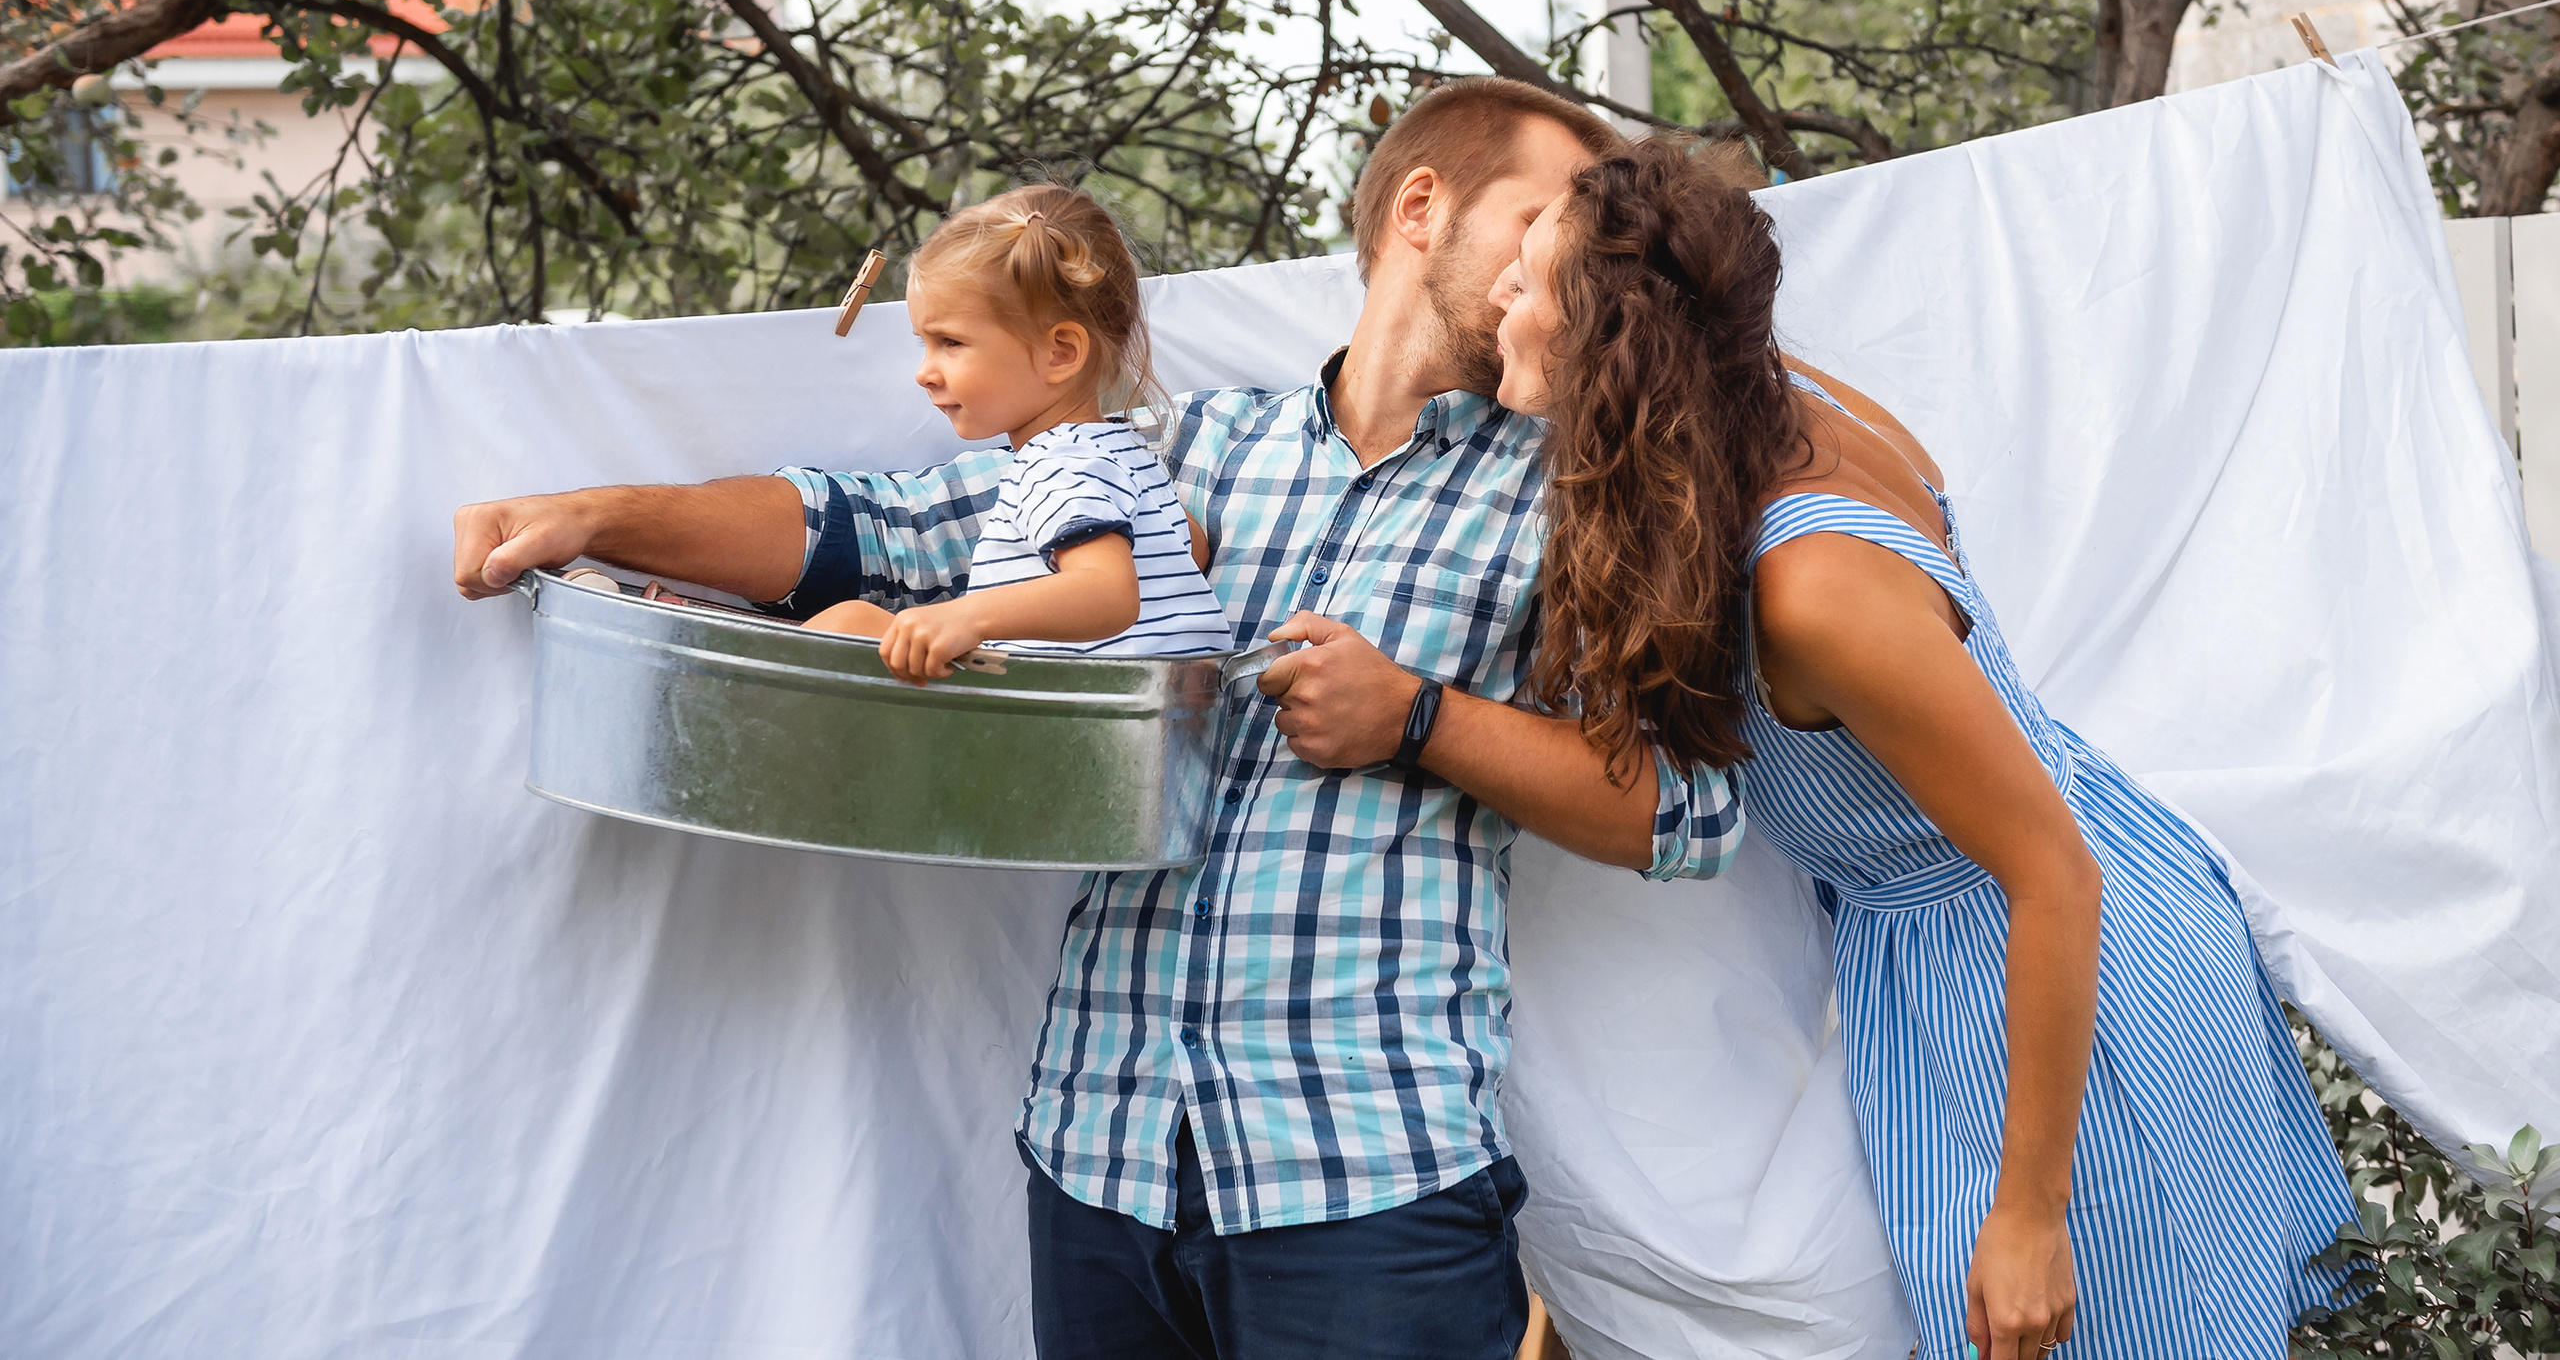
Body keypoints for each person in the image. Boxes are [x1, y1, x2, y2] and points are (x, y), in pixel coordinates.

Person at [449, 78, 1747, 1360]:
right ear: (1424, 206)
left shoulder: (1577, 488)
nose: (1553, 255)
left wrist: (1417, 717)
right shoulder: (1176, 449)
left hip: (1366, 1173)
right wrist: (598, 515)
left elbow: (1687, 812)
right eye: (1536, 213)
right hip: (1099, 1152)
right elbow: (891, 528)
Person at [1484, 134, 2360, 1360]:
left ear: (1614, 340)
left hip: (2041, 962)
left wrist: (2028, 1213)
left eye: (1527, 281)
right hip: (1991, 935)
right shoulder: (1772, 408)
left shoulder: (1809, 584)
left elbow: (2051, 870)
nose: (1498, 300)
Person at [795, 185, 1231, 682]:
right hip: (1168, 720)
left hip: (1078, 714)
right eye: (925, 343)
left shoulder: (1058, 463)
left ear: (1060, 353)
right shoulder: (1121, 450)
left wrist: (968, 615)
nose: (924, 372)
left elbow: (1108, 592)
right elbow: (1190, 547)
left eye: (950, 342)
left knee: (851, 623)